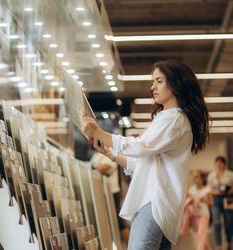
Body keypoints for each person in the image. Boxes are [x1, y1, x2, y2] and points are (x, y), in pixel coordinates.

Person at [81, 59, 210, 250]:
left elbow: (141, 147)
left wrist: (100, 133)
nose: (153, 87)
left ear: (176, 84)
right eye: (152, 82)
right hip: (155, 205)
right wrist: (111, 154)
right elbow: (141, 162)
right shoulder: (167, 118)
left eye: (159, 81)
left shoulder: (175, 119)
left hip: (155, 204)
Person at [180, 170, 211, 250]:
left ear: (202, 178)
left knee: (201, 235)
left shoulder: (207, 190)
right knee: (201, 236)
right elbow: (187, 202)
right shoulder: (191, 190)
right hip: (194, 216)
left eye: (197, 177)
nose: (195, 179)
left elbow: (211, 202)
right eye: (194, 177)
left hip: (204, 215)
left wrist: (203, 200)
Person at [207, 156, 233, 250]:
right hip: (216, 200)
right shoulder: (211, 175)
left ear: (224, 164)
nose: (219, 164)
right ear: (215, 164)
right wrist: (210, 198)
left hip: (228, 199)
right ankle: (218, 245)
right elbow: (209, 189)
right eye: (217, 162)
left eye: (221, 162)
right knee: (216, 222)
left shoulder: (230, 174)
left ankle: (229, 241)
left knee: (229, 223)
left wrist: (229, 191)